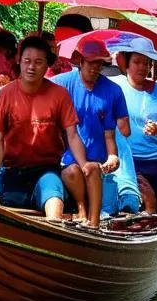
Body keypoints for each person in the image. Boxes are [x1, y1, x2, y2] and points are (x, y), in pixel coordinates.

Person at [0, 35, 90, 220]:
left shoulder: (60, 95)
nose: (31, 67)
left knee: (54, 203)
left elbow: (72, 135)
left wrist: (85, 166)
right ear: (19, 61)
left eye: (38, 62)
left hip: (47, 169)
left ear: (46, 65)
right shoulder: (5, 95)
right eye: (27, 61)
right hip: (14, 171)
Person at [51, 37, 130, 227]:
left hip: (98, 161)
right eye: (90, 63)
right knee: (73, 171)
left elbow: (112, 133)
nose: (94, 69)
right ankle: (81, 210)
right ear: (80, 61)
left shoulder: (113, 91)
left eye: (99, 64)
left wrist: (113, 157)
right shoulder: (62, 84)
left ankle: (93, 224)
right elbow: (37, 87)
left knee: (92, 168)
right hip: (69, 158)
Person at [112, 35, 157, 209]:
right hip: (123, 160)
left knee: (150, 206)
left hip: (154, 161)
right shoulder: (114, 88)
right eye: (137, 62)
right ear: (126, 64)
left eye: (146, 62)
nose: (142, 67)